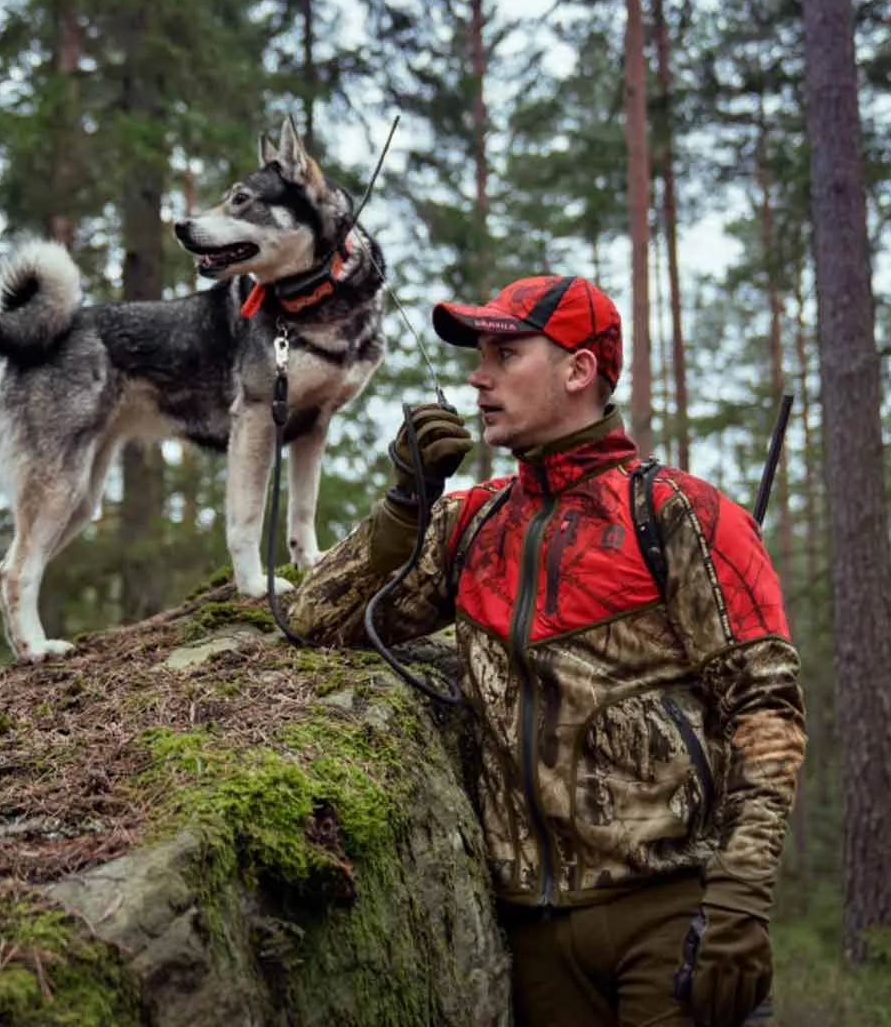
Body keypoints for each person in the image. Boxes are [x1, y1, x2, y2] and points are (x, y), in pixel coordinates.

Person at [289, 274, 806, 1027]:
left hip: (671, 925)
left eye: (505, 353)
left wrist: (738, 903)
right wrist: (405, 502)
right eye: (479, 355)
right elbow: (318, 620)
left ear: (578, 370)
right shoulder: (473, 522)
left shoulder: (680, 514)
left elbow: (768, 710)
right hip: (530, 941)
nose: (478, 375)